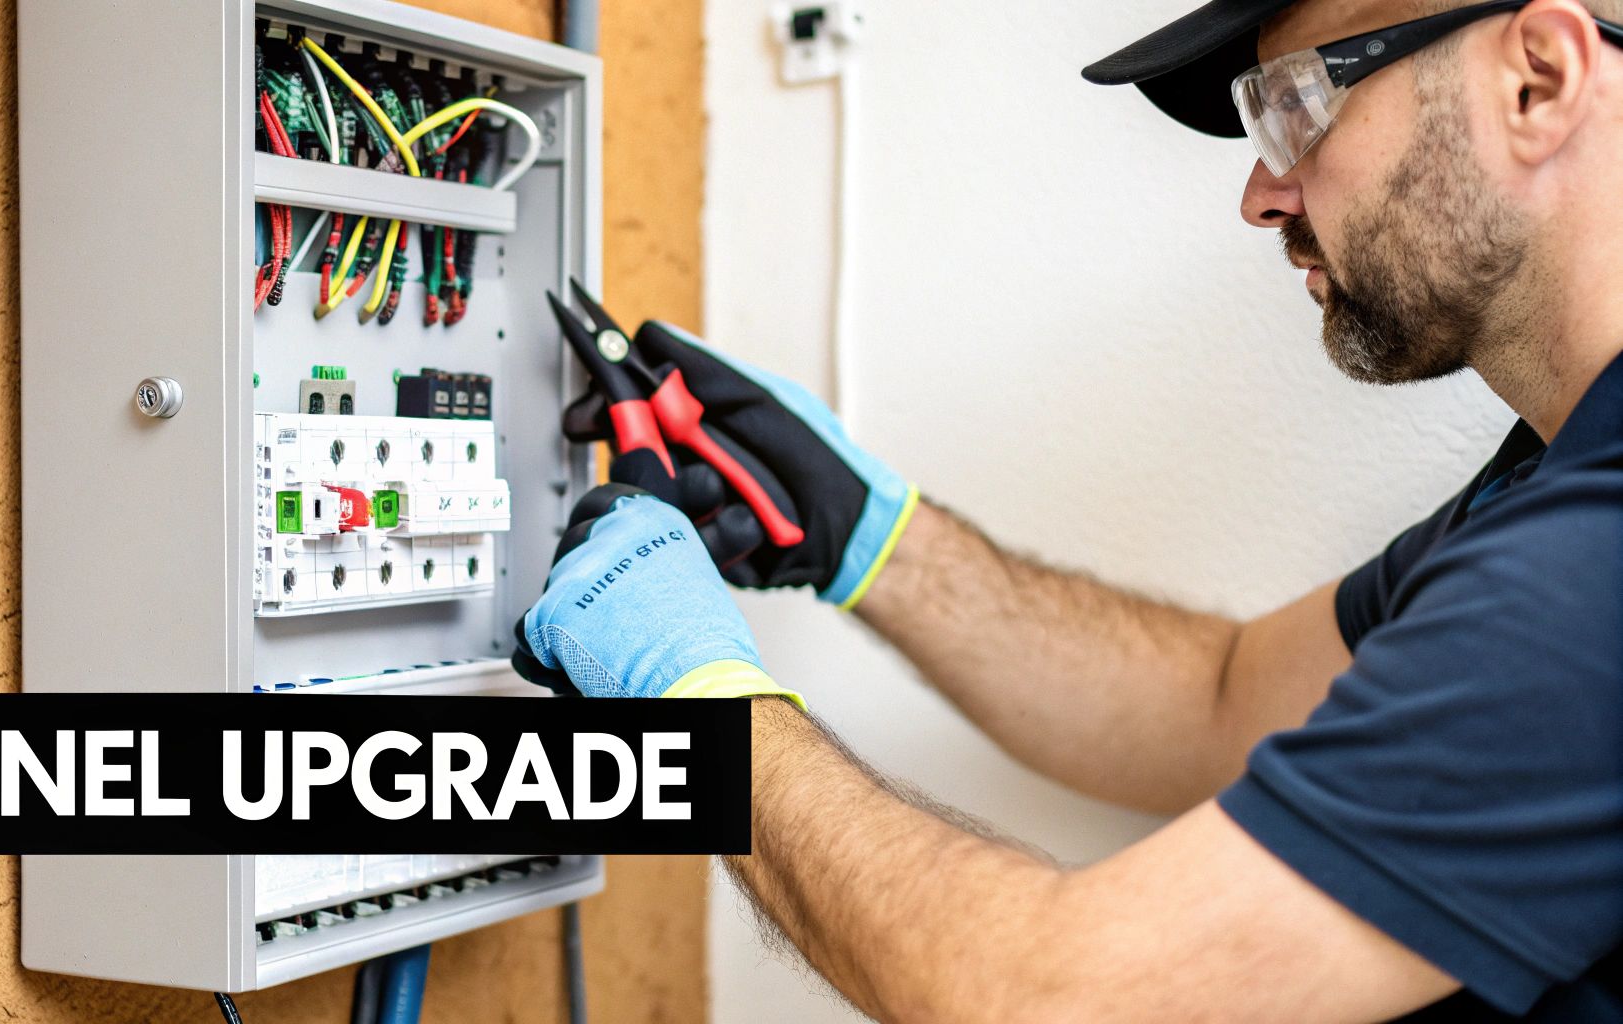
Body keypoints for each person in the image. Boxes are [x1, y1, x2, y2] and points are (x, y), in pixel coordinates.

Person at [516, 0, 1623, 1019]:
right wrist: (869, 536)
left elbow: (1046, 997)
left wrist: (693, 699)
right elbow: (1218, 702)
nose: (1259, 192)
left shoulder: (1588, 572)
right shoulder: (1548, 473)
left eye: (1294, 106)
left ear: (1536, 79)